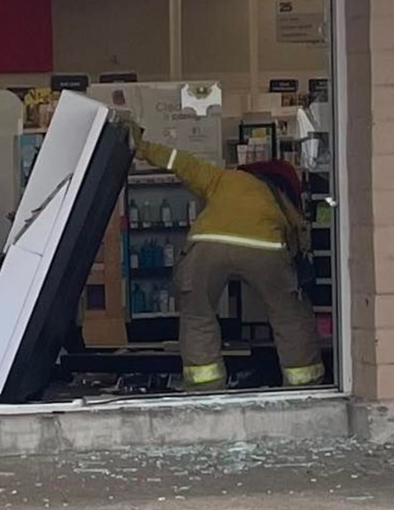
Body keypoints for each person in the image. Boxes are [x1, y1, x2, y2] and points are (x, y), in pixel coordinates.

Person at [130, 124, 324, 391]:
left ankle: (205, 386)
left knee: (198, 315)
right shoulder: (280, 194)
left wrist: (141, 147)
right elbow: (299, 232)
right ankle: (303, 383)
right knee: (289, 315)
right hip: (264, 246)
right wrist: (295, 270)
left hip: (208, 243)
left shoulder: (222, 178)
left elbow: (182, 163)